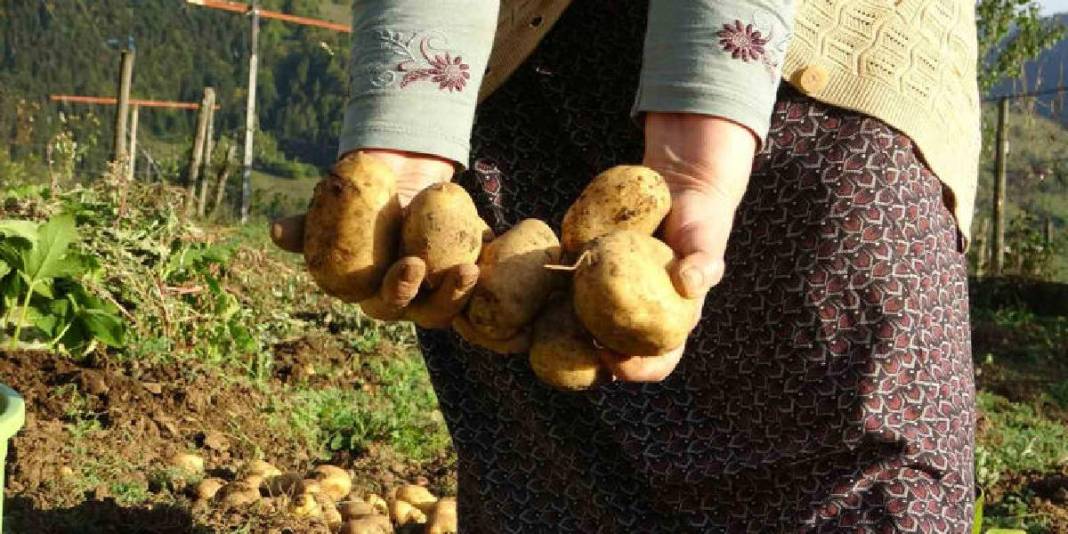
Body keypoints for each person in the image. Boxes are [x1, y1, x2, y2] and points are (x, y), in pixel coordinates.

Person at [273, 1, 980, 531]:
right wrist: (411, 119)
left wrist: (703, 129)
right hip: (528, 78)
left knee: (860, 478)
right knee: (555, 486)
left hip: (813, 72)